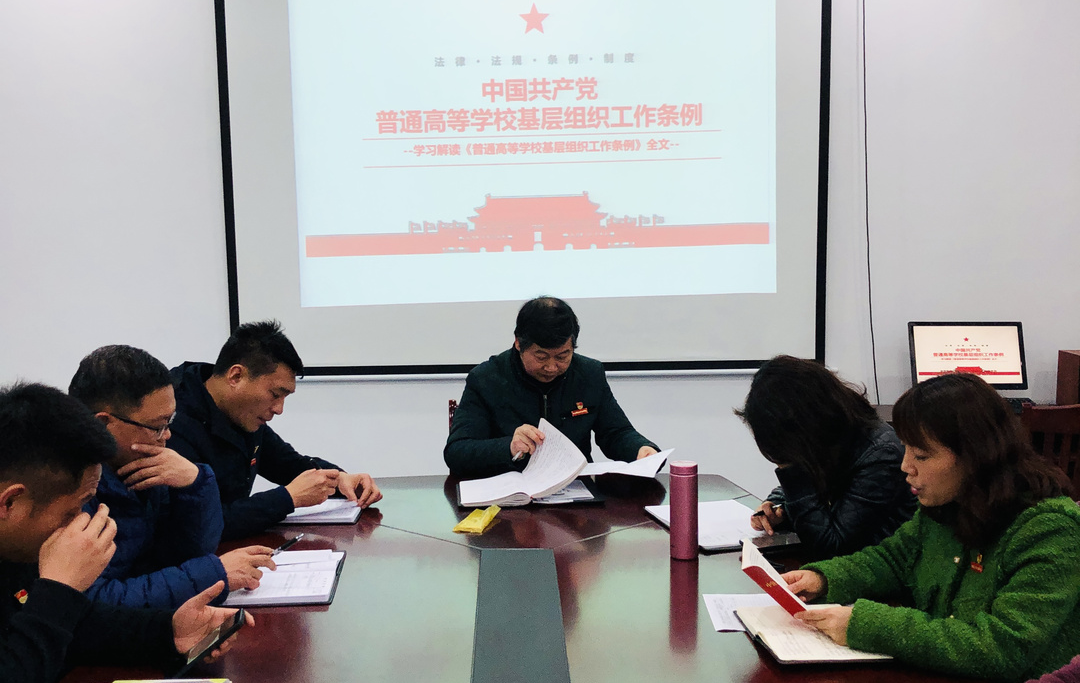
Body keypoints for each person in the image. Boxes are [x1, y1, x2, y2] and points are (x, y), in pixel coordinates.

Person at [782, 373, 1080, 681]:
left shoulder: (1051, 531)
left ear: (975, 455)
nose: (905, 466)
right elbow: (892, 560)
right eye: (906, 448)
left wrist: (865, 625)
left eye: (921, 455)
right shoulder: (947, 506)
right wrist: (822, 579)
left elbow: (1001, 649)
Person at [0, 382, 251, 683]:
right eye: (72, 511)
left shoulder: (19, 548)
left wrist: (169, 631)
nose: (81, 523)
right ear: (10, 502)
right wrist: (57, 588)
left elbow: (79, 626)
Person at [68, 345, 276, 607]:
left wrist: (195, 484)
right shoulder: (68, 490)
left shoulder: (144, 465)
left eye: (170, 422)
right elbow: (90, 603)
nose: (167, 435)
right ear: (103, 424)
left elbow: (188, 554)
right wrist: (213, 574)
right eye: (158, 426)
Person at [169, 321, 381, 540]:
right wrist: (287, 498)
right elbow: (197, 525)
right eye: (275, 395)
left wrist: (340, 479)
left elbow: (289, 465)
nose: (279, 409)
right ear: (236, 377)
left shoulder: (241, 414)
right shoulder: (172, 424)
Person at [445, 296, 659, 479]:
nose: (551, 367)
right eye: (541, 357)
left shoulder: (589, 374)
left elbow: (615, 432)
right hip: (510, 494)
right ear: (518, 343)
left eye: (562, 356)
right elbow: (457, 452)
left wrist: (641, 449)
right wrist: (508, 447)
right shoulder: (486, 379)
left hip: (574, 491)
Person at [736, 355, 916, 558]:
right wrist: (775, 507)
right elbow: (810, 484)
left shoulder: (880, 454)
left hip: (878, 569)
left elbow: (831, 547)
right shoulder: (834, 437)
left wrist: (789, 470)